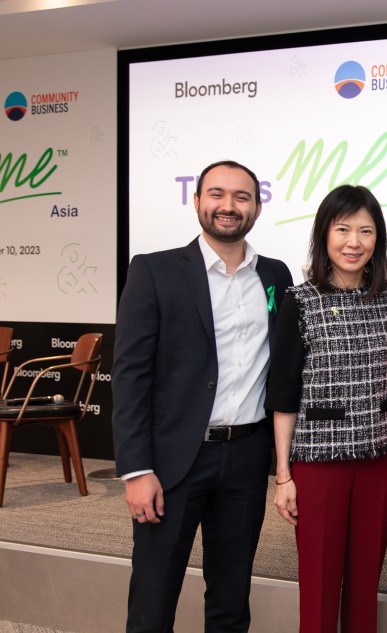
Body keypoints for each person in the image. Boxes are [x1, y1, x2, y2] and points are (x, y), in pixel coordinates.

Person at [112, 160, 293, 633]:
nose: (228, 206)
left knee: (231, 600)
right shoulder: (155, 270)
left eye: (241, 196)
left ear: (257, 207)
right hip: (172, 460)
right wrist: (136, 469)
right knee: (153, 599)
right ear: (197, 202)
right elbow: (130, 376)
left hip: (246, 458)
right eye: (217, 194)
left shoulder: (275, 275)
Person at [265, 185, 387, 633]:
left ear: (378, 239)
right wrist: (284, 475)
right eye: (343, 229)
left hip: (380, 459)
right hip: (318, 464)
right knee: (320, 582)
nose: (354, 242)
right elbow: (284, 396)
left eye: (366, 231)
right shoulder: (300, 300)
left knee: (366, 581)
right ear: (324, 235)